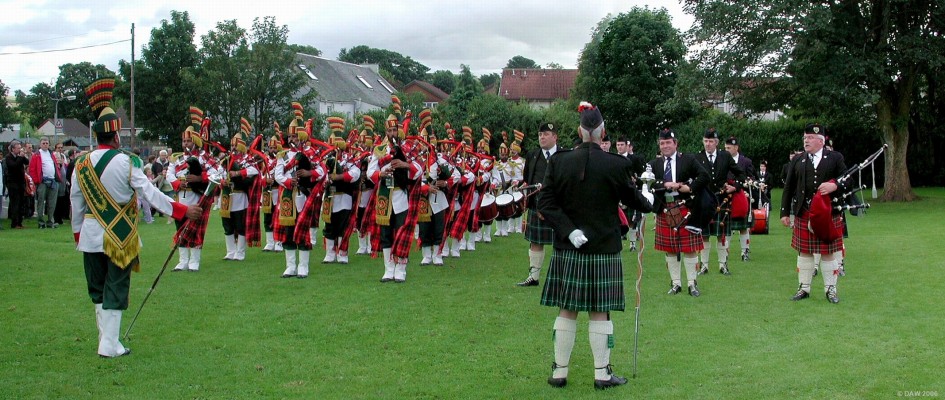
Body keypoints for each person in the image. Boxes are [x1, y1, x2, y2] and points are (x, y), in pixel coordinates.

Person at [72, 78, 201, 358]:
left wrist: (76, 234)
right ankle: (109, 345)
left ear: (96, 136)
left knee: (97, 289)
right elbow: (150, 194)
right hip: (119, 236)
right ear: (116, 135)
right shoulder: (126, 162)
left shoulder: (80, 163)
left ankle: (108, 341)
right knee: (115, 286)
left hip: (91, 235)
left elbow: (76, 202)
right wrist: (181, 210)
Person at [538, 102, 653, 390]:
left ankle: (559, 372)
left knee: (567, 309)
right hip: (603, 248)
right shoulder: (617, 163)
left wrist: (569, 230)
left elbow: (545, 204)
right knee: (600, 311)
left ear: (579, 131)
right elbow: (636, 202)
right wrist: (649, 197)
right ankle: (602, 374)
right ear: (602, 132)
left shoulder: (559, 161)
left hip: (569, 248)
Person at [781, 124, 849, 304]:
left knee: (828, 253)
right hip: (804, 212)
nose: (806, 140)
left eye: (810, 138)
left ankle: (830, 290)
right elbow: (788, 187)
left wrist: (834, 185)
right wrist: (784, 212)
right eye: (805, 137)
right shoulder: (798, 159)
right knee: (804, 252)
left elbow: (847, 179)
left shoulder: (835, 158)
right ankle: (804, 288)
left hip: (827, 213)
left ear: (821, 140)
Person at [650, 129, 710, 296]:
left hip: (686, 207)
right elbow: (648, 183)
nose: (665, 146)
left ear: (675, 144)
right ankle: (676, 284)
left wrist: (689, 187)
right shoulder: (654, 164)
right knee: (670, 248)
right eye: (662, 143)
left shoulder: (688, 160)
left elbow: (704, 176)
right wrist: (665, 184)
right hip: (665, 208)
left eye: (669, 142)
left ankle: (692, 284)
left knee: (689, 248)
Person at [367, 109, 423, 282]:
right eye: (389, 131)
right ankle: (388, 268)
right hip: (384, 195)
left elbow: (420, 170)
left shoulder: (408, 148)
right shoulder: (379, 149)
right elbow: (370, 172)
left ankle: (401, 269)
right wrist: (381, 174)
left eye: (394, 131)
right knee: (385, 234)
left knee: (402, 233)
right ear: (386, 132)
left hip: (400, 196)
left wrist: (405, 164)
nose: (392, 134)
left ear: (398, 131)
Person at [274, 104, 326, 278]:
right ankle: (290, 266)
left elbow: (322, 172)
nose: (292, 139)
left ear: (302, 136)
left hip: (304, 195)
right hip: (288, 195)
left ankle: (303, 266)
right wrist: (289, 180)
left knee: (303, 231)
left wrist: (308, 172)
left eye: (295, 136)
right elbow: (277, 175)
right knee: (288, 232)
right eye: (290, 136)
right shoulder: (284, 155)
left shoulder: (311, 152)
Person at [167, 107, 219, 272]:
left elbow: (218, 173)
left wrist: (199, 178)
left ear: (195, 142)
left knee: (196, 230)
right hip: (181, 198)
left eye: (188, 141)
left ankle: (194, 261)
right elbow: (169, 174)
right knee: (180, 228)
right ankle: (182, 260)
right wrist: (177, 183)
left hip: (197, 199)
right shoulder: (176, 159)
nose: (185, 144)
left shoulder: (204, 158)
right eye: (184, 141)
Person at [695, 129, 747, 276]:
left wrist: (735, 186)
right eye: (706, 141)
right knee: (704, 234)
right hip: (703, 199)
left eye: (711, 141)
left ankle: (723, 265)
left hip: (721, 199)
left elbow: (741, 173)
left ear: (717, 143)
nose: (708, 144)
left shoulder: (725, 156)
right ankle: (704, 265)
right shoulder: (697, 157)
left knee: (721, 234)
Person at [516, 123, 559, 287]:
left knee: (562, 242)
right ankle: (533, 277)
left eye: (546, 134)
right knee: (535, 242)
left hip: (558, 208)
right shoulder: (533, 155)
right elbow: (528, 180)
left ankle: (559, 277)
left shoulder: (563, 155)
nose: (542, 137)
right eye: (540, 134)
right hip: (537, 207)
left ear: (555, 137)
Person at [724, 136, 755, 261]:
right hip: (726, 197)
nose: (726, 150)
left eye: (728, 148)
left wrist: (740, 187)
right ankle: (725, 252)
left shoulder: (746, 161)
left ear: (736, 147)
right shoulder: (722, 160)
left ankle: (745, 251)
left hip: (742, 197)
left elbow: (751, 178)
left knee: (743, 227)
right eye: (725, 147)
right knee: (727, 226)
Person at [29, 138, 62, 228]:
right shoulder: (36, 155)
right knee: (40, 203)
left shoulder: (51, 154)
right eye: (43, 143)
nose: (45, 145)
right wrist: (37, 181)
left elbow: (55, 166)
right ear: (40, 144)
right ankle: (41, 222)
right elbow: (32, 170)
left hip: (52, 181)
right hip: (42, 182)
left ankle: (50, 221)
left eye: (47, 143)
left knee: (52, 203)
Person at [4, 141, 29, 229]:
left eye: (20, 148)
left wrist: (23, 156)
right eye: (18, 148)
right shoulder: (8, 157)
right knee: (15, 203)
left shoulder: (20, 157)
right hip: (12, 183)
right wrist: (20, 157)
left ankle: (20, 222)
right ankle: (14, 223)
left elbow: (27, 162)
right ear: (13, 149)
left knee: (21, 202)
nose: (19, 150)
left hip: (20, 182)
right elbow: (13, 166)